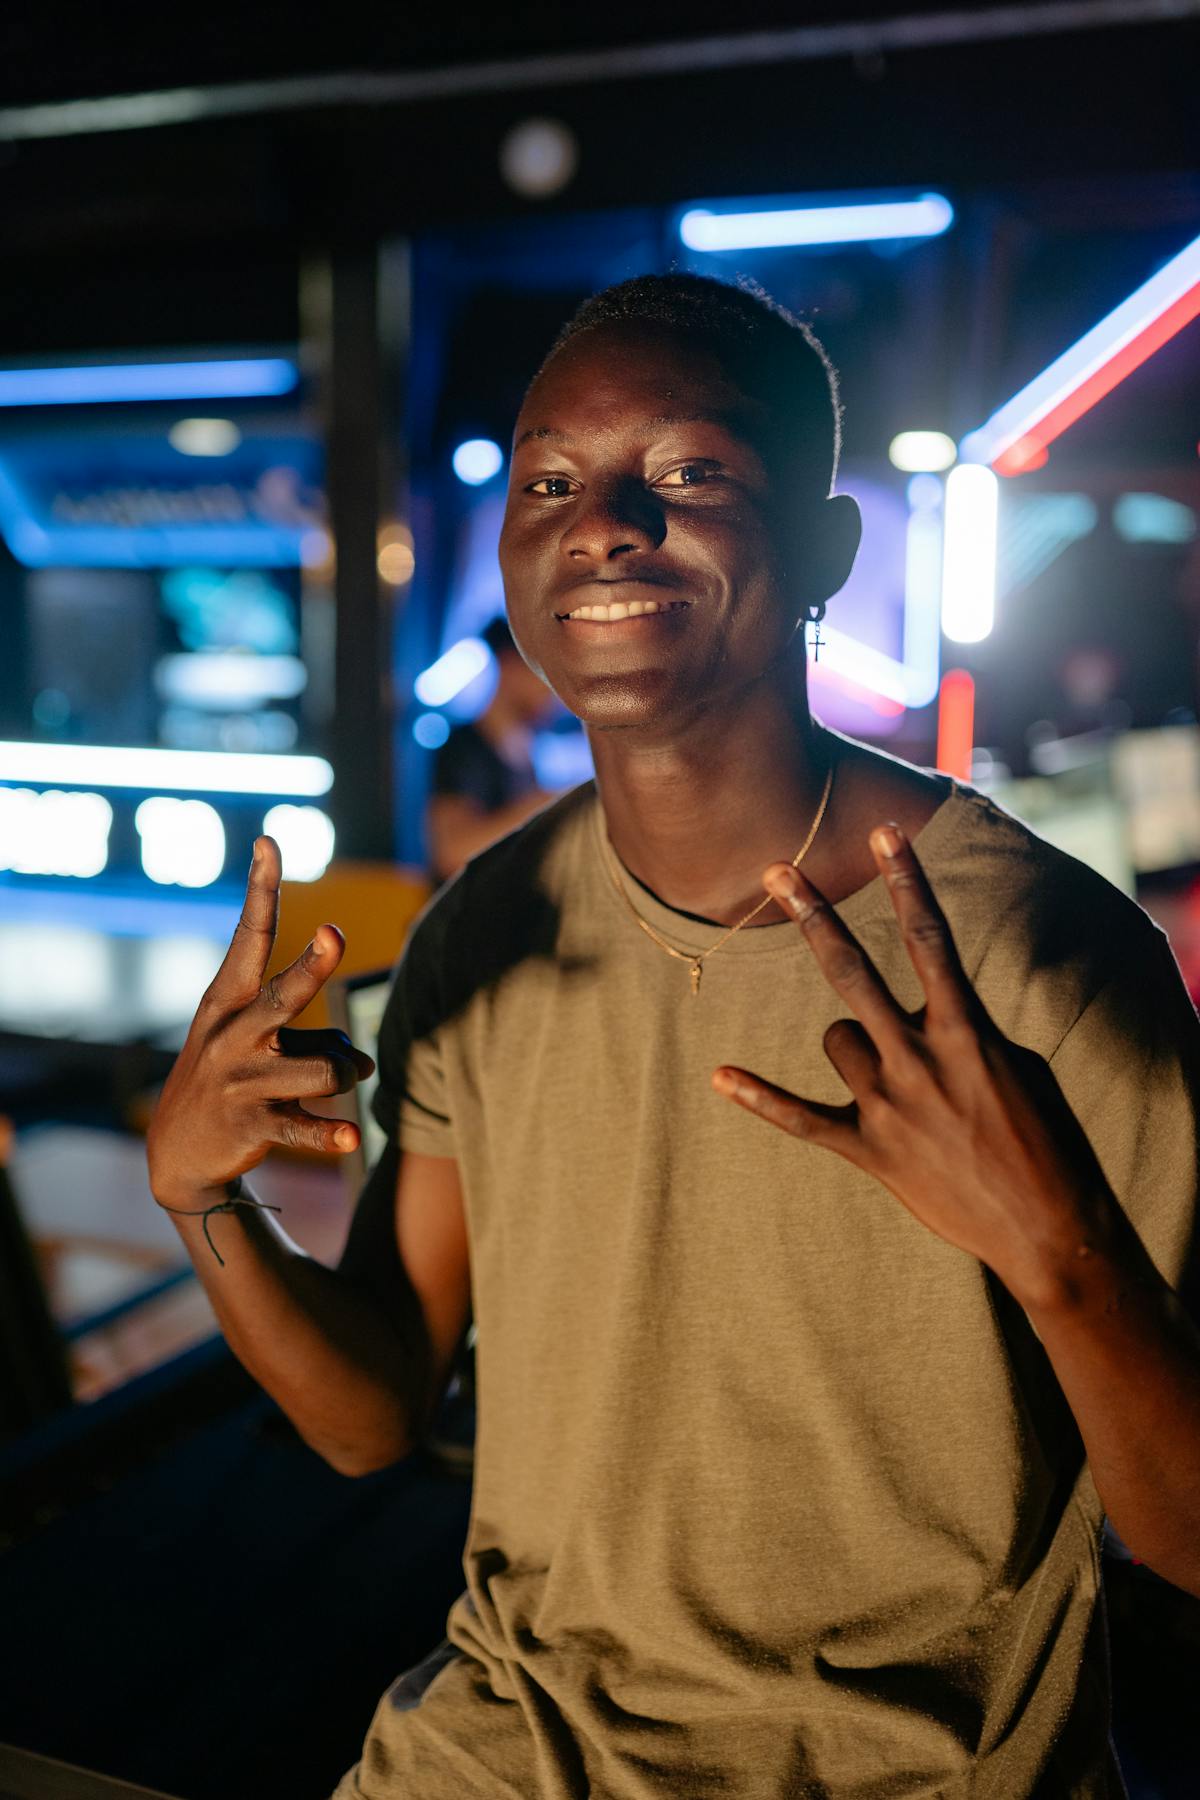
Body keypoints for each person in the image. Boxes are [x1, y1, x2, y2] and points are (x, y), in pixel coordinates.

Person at [146, 274, 1200, 1799]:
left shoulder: (1039, 956)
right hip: (500, 1755)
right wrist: (202, 1200)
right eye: (551, 483)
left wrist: (1057, 1253)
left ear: (829, 549)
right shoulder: (484, 932)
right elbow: (375, 1414)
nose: (603, 522)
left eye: (691, 470)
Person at [426, 614, 558, 883]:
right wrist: (545, 807)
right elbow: (451, 852)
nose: (554, 691)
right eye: (545, 674)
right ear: (509, 665)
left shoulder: (524, 755)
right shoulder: (463, 748)